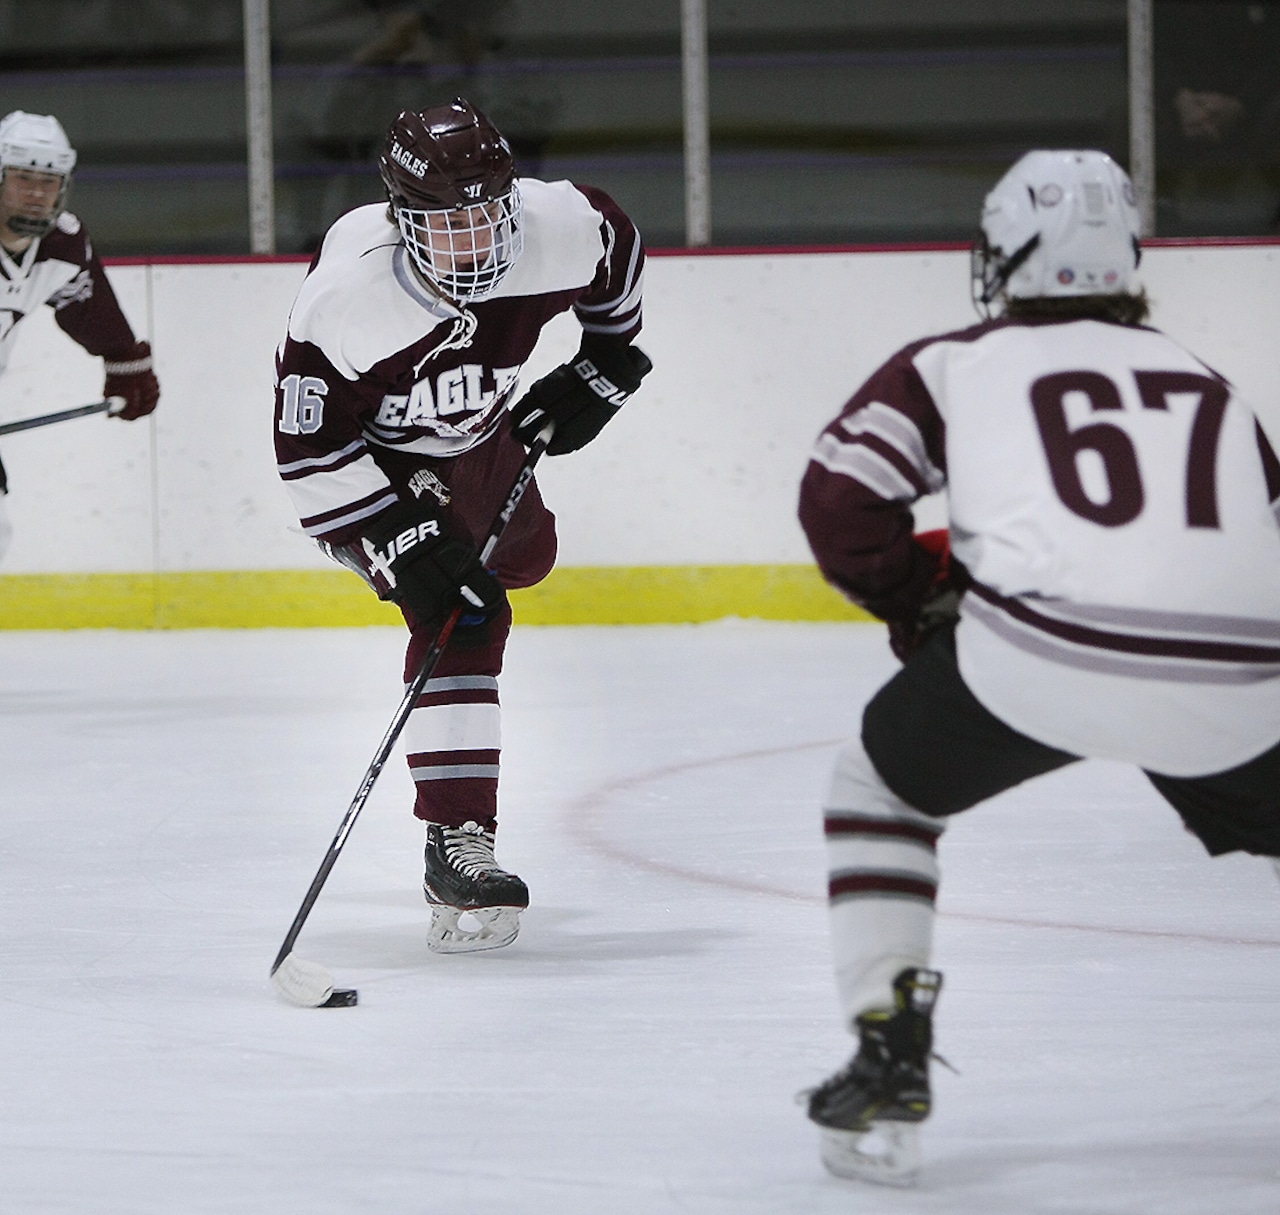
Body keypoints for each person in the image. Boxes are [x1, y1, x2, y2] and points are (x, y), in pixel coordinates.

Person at [796, 149, 1280, 1186]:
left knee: (875, 788)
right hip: (1240, 681)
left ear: (1003, 257)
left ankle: (887, 1050)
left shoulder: (952, 362)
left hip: (1037, 660)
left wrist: (918, 607)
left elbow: (840, 504)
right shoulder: (1210, 384)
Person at [273, 97, 650, 954]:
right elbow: (305, 447)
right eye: (447, 225)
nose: (474, 241)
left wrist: (607, 356)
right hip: (377, 460)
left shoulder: (557, 229)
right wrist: (397, 540)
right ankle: (457, 840)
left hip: (480, 436)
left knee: (529, 557)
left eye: (488, 215)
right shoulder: (349, 298)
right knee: (463, 608)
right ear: (402, 221)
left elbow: (617, 247)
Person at [0, 110, 160, 562]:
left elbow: (87, 305)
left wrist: (125, 362)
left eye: (49, 181)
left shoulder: (62, 246)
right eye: (23, 178)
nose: (36, 194)